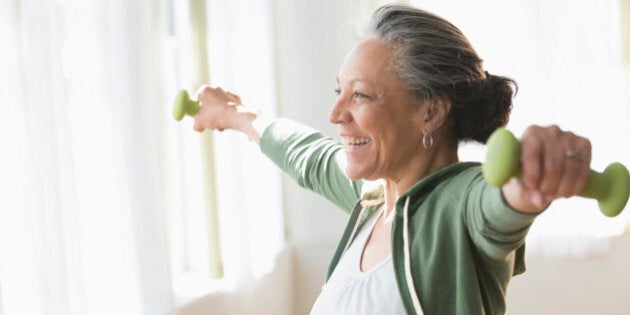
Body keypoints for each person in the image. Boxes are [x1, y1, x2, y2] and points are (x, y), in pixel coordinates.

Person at [191, 4, 592, 315]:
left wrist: (536, 175)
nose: (335, 115)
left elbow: (500, 201)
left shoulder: (458, 205)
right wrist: (234, 115)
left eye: (361, 95)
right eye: (339, 92)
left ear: (431, 113)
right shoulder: (374, 199)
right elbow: (306, 154)